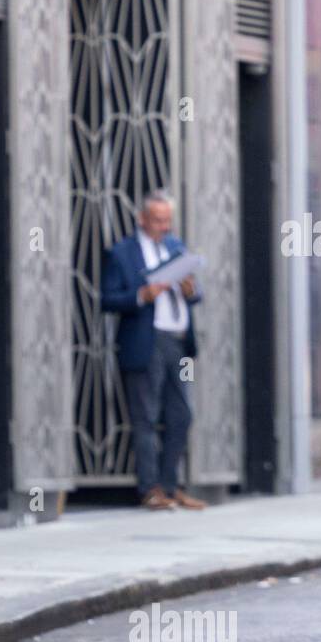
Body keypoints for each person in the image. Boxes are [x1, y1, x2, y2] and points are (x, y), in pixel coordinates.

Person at [101, 189, 205, 511]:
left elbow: (195, 295)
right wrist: (142, 295)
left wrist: (190, 291)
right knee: (145, 416)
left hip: (178, 340)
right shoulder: (122, 253)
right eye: (157, 220)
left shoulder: (176, 247)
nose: (164, 226)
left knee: (182, 415)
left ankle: (171, 486)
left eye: (167, 220)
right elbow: (107, 299)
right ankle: (150, 489)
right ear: (142, 219)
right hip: (146, 341)